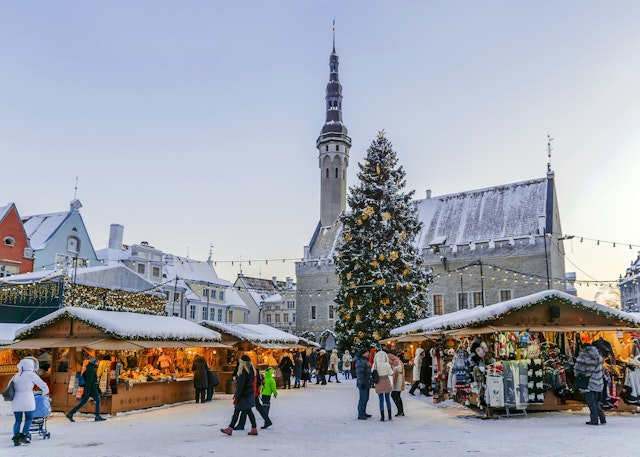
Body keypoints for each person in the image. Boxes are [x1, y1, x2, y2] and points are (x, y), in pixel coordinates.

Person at [10, 357, 49, 446]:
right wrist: (45, 393)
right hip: (27, 399)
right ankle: (24, 435)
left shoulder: (16, 375)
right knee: (29, 418)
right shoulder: (31, 375)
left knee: (17, 420)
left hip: (16, 400)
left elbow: (10, 387)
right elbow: (42, 385)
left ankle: (16, 437)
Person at [220, 355, 259, 436]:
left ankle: (230, 429)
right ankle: (254, 428)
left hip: (243, 395)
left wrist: (236, 397)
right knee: (248, 411)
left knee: (237, 412)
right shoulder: (252, 370)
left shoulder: (243, 372)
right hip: (249, 393)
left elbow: (240, 386)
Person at [574, 343, 606, 425]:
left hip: (588, 382)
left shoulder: (584, 356)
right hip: (598, 381)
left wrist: (577, 374)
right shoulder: (598, 356)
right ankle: (602, 418)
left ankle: (594, 419)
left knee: (591, 402)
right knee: (596, 401)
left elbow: (580, 370)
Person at [66, 357, 106, 422]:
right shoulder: (92, 369)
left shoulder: (90, 368)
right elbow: (89, 381)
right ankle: (97, 416)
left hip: (90, 388)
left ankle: (71, 413)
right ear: (94, 362)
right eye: (96, 361)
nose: (97, 362)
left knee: (84, 402)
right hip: (91, 389)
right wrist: (88, 391)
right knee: (98, 400)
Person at [372, 349, 394, 421]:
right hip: (386, 382)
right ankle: (389, 416)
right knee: (388, 400)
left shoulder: (375, 364)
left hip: (378, 382)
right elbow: (391, 373)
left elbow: (372, 371)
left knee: (381, 400)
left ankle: (382, 416)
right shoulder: (387, 364)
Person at [355, 348, 372, 420]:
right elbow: (359, 373)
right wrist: (362, 382)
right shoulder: (360, 361)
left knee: (366, 398)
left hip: (366, 382)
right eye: (367, 352)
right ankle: (361, 414)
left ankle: (363, 412)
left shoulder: (365, 360)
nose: (368, 353)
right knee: (362, 398)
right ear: (363, 353)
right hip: (363, 383)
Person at [388, 351, 405, 416]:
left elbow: (395, 371)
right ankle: (401, 411)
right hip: (399, 380)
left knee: (395, 395)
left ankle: (400, 411)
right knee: (397, 395)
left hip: (398, 380)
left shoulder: (396, 362)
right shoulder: (398, 361)